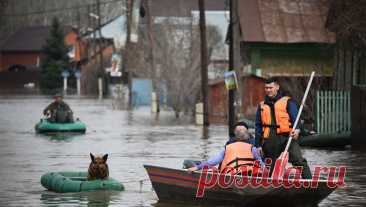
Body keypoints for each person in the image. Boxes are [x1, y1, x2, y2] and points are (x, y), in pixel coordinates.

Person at [255, 78, 312, 179]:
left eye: (270, 87)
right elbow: (258, 126)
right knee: (270, 164)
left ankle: (309, 181)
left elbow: (296, 118)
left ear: (277, 87)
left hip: (287, 137)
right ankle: (270, 185)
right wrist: (258, 145)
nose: (268, 90)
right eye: (266, 88)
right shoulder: (261, 105)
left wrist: (298, 129)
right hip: (270, 139)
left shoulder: (288, 102)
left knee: (298, 160)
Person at [187, 122, 264, 174]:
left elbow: (213, 161)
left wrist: (197, 167)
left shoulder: (227, 147)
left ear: (235, 135)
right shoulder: (253, 148)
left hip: (230, 175)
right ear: (248, 134)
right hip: (248, 174)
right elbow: (261, 164)